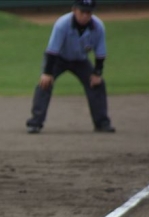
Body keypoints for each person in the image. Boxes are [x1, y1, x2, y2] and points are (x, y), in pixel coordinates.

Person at [26, 0, 115, 134]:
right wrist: (47, 73)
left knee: (97, 84)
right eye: (82, 11)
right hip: (58, 59)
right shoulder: (62, 24)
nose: (85, 15)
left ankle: (102, 123)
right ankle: (35, 123)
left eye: (89, 12)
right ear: (74, 10)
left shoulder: (98, 26)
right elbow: (52, 51)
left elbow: (100, 53)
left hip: (81, 60)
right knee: (44, 84)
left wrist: (97, 73)